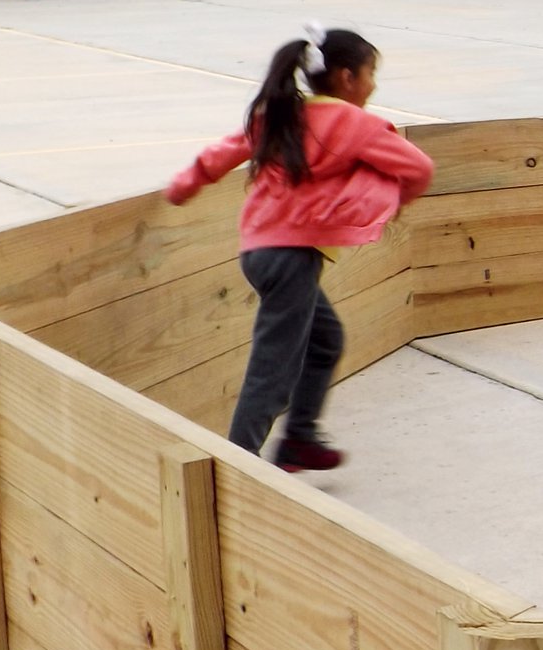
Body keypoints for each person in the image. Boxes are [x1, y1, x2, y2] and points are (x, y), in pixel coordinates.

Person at [164, 25, 434, 469]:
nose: (373, 85)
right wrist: (390, 201)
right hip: (293, 257)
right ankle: (239, 465)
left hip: (259, 251)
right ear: (347, 77)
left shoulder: (280, 113)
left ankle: (299, 439)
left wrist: (182, 187)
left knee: (326, 339)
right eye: (370, 74)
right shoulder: (354, 124)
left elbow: (223, 153)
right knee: (273, 367)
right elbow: (418, 168)